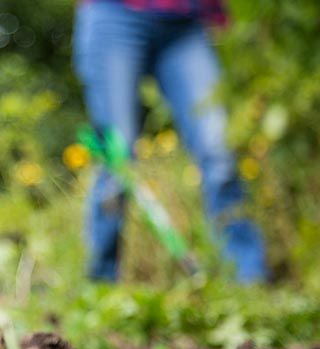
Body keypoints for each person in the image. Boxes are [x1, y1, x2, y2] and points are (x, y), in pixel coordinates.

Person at [73, 0, 268, 283]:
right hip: (114, 14)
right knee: (117, 155)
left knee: (218, 149)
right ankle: (101, 283)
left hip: (186, 21)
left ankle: (249, 278)